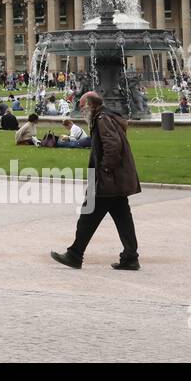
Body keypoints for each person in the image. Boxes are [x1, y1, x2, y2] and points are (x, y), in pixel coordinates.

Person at [51, 90, 142, 271]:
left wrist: (105, 170)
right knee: (123, 218)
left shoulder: (102, 119)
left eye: (83, 106)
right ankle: (130, 257)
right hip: (115, 180)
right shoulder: (106, 117)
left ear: (91, 105)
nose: (82, 111)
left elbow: (112, 146)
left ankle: (75, 254)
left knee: (87, 217)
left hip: (106, 180)